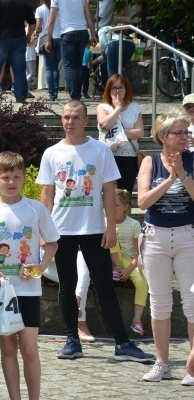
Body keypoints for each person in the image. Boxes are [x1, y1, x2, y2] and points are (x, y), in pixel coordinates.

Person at [37, 99, 154, 363]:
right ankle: (72, 340)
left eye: (76, 117)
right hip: (61, 230)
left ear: (86, 120)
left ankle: (123, 344)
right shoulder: (51, 153)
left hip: (93, 229)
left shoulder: (100, 150)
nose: (70, 122)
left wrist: (111, 226)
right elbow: (47, 194)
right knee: (66, 286)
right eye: (66, 117)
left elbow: (109, 190)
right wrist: (43, 232)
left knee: (104, 285)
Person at [0, 151, 59, 400]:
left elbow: (52, 244)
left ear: (24, 179)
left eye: (17, 177)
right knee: (7, 346)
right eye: (5, 177)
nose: (11, 182)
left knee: (30, 348)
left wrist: (40, 267)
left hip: (28, 289)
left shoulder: (36, 209)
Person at [136, 113, 194, 383]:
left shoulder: (193, 160)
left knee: (192, 304)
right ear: (163, 137)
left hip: (187, 236)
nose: (185, 137)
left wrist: (182, 173)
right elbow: (144, 201)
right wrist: (170, 179)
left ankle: (192, 367)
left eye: (186, 132)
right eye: (179, 133)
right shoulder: (149, 161)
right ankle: (162, 363)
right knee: (159, 303)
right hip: (156, 237)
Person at [45, 0, 98, 100]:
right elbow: (89, 15)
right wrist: (93, 34)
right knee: (79, 64)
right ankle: (78, 94)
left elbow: (51, 20)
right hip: (82, 31)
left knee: (69, 65)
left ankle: (74, 94)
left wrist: (48, 39)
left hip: (67, 32)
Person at [96, 74, 144, 192]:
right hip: (107, 155)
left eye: (121, 87)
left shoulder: (135, 108)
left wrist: (117, 132)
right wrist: (117, 108)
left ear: (126, 89)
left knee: (125, 194)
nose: (117, 90)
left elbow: (140, 133)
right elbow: (105, 125)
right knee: (106, 192)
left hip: (128, 156)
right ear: (109, 90)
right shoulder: (103, 107)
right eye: (114, 87)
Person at [111, 188, 148, 335]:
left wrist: (129, 270)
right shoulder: (105, 221)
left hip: (129, 260)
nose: (112, 209)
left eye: (117, 206)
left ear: (126, 207)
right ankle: (116, 269)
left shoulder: (133, 225)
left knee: (142, 282)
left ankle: (136, 320)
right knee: (111, 232)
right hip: (109, 260)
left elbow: (139, 253)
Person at [35, 0, 62, 101]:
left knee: (49, 67)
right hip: (60, 38)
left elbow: (38, 27)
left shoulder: (40, 9)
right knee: (55, 67)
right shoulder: (58, 8)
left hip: (47, 39)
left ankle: (51, 93)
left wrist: (36, 33)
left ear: (42, 0)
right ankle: (56, 90)